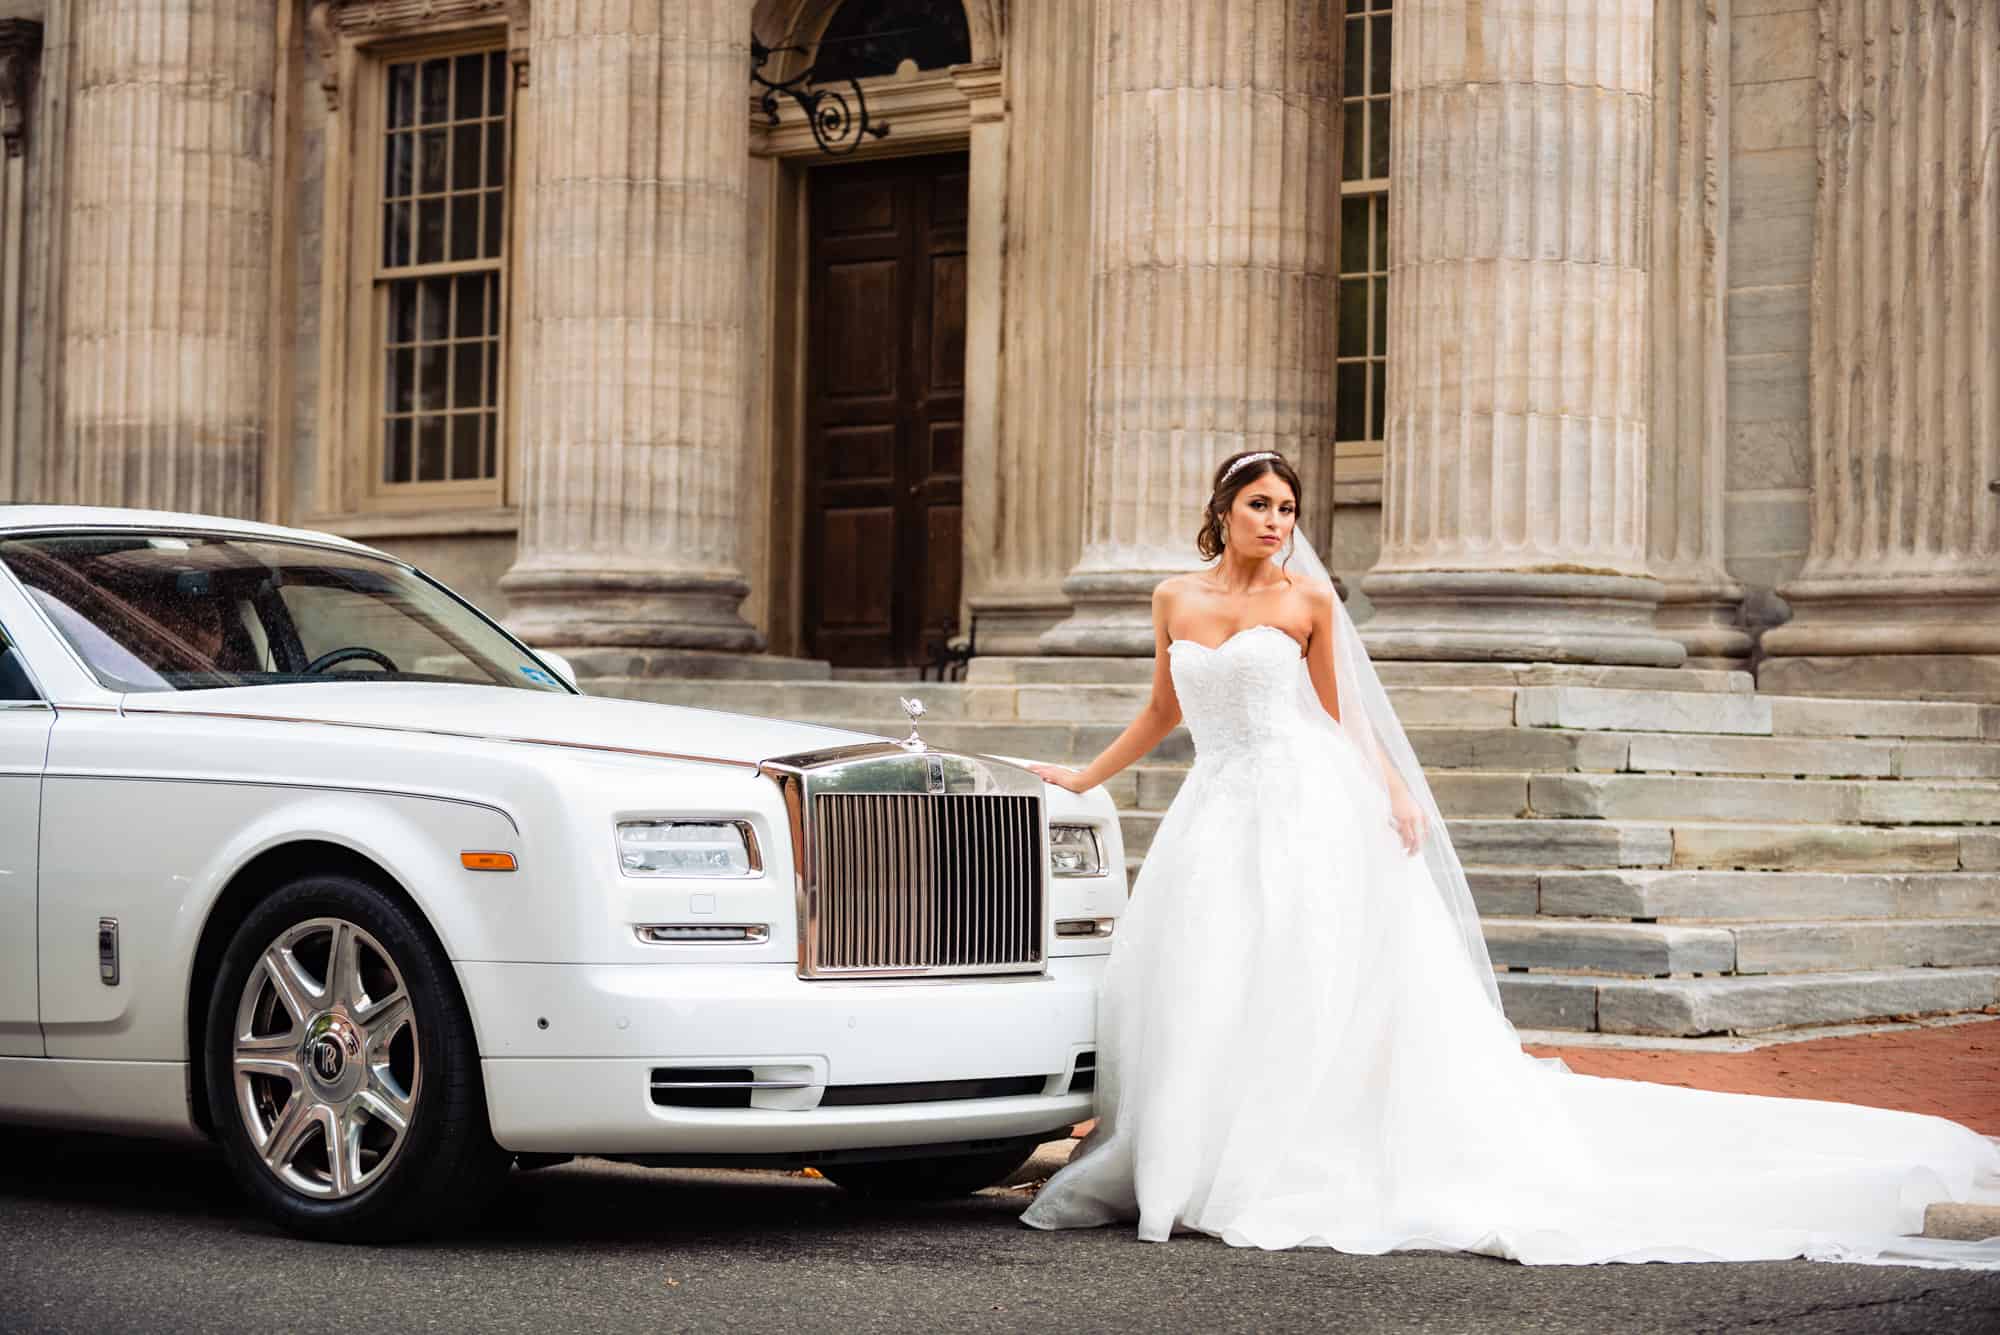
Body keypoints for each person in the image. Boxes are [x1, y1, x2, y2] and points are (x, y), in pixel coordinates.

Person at [1018, 449, 2000, 1267]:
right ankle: (1188, 1159)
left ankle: (1276, 1158)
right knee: (1209, 977)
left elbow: (1339, 714)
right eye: (1259, 505)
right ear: (1221, 512)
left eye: (1286, 507)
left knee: (1299, 976)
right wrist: (1079, 773)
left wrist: (1393, 792)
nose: (1275, 521)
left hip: (1308, 803)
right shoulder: (1171, 598)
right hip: (1215, 813)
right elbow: (1161, 711)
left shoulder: (1309, 600)